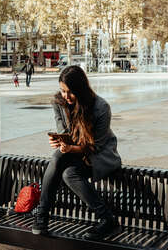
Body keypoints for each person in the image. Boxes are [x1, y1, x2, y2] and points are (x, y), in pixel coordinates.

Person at [32, 65, 122, 240]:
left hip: (98, 156)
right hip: (73, 155)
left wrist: (71, 148)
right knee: (60, 158)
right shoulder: (60, 103)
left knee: (68, 173)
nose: (66, 96)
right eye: (63, 91)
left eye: (70, 92)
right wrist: (58, 140)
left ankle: (42, 214)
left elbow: (96, 146)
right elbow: (64, 132)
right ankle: (107, 219)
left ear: (81, 89)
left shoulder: (101, 108)